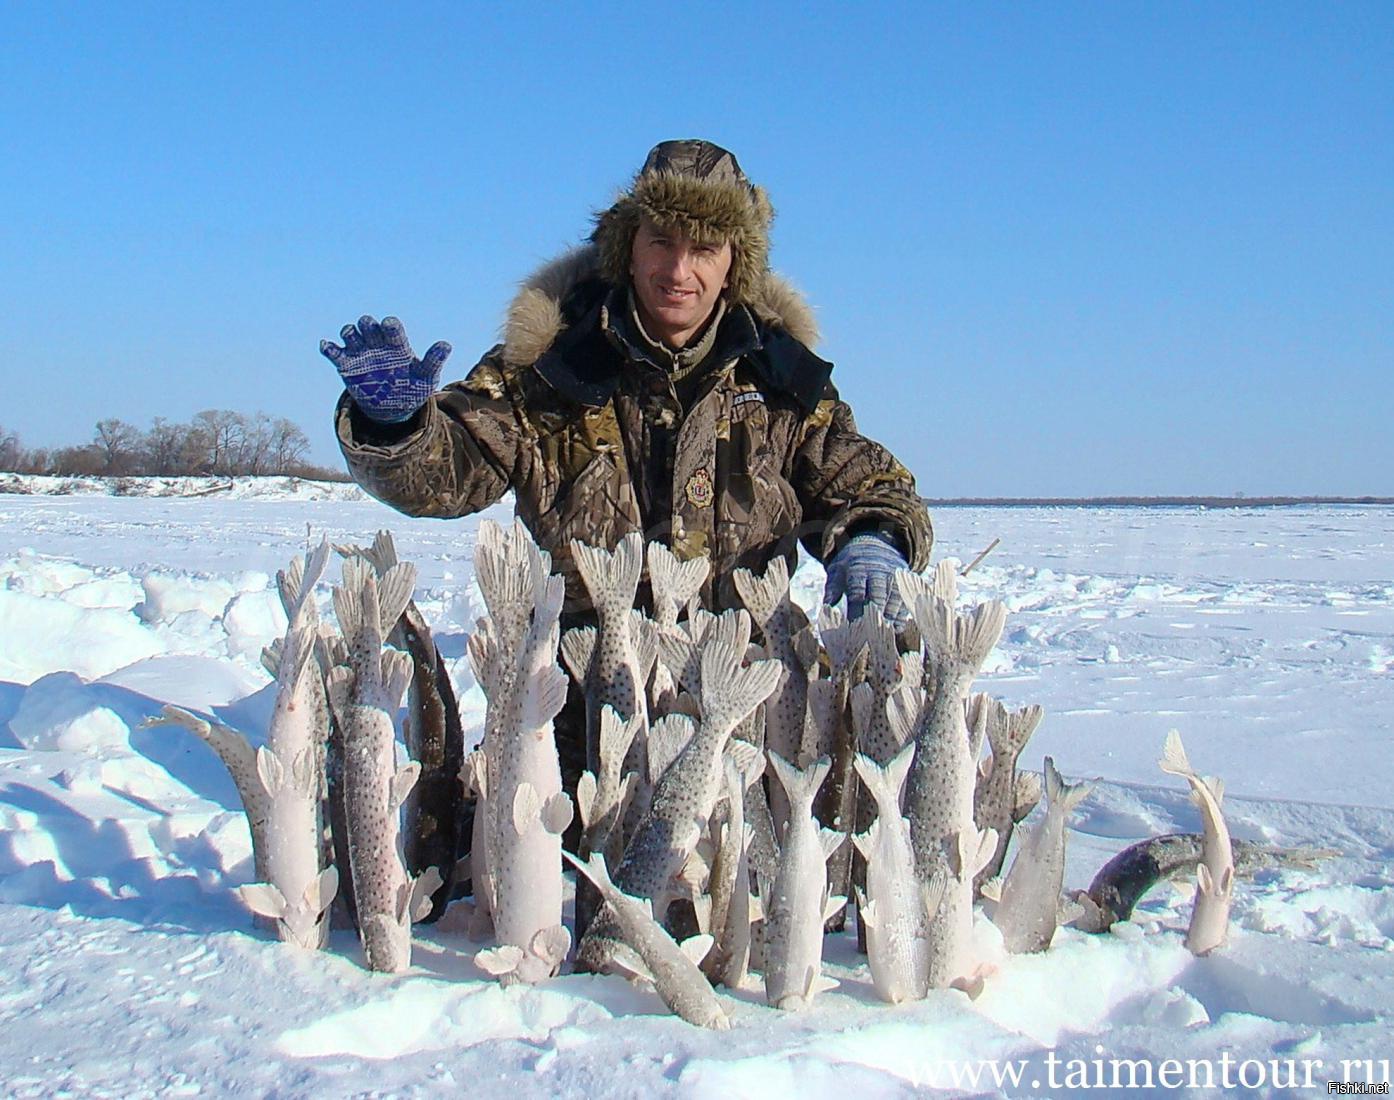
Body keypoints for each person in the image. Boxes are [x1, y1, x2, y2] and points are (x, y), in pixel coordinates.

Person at [321, 138, 932, 797]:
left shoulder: (781, 382)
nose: (679, 270)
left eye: (705, 250)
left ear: (735, 265)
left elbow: (864, 481)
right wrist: (398, 427)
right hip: (578, 717)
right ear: (627, 247)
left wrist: (874, 538)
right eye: (661, 242)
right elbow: (449, 472)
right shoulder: (547, 367)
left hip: (744, 716)